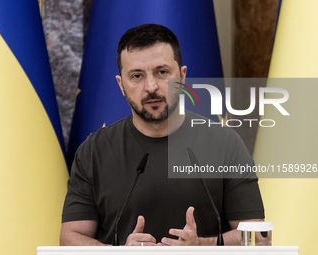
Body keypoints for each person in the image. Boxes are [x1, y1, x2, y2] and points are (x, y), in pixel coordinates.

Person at [60, 24, 264, 246]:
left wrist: (202, 245)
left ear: (182, 76)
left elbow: (257, 236)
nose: (151, 87)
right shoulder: (94, 151)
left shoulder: (226, 144)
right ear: (121, 85)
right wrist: (117, 252)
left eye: (162, 72)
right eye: (137, 76)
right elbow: (70, 238)